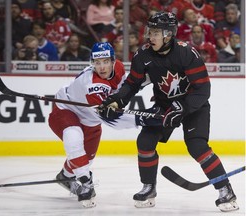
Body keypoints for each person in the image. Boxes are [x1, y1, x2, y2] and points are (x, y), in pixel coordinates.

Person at [98, 12, 239, 212]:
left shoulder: (186, 53)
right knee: (145, 141)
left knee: (197, 146)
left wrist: (183, 108)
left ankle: (225, 190)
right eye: (150, 32)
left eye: (155, 33)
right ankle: (149, 188)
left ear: (168, 34)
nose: (150, 37)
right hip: (164, 105)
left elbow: (202, 90)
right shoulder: (143, 55)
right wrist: (116, 100)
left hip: (193, 106)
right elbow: (132, 83)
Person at [48, 42, 161, 208]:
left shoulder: (120, 69)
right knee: (74, 138)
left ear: (113, 61)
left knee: (87, 158)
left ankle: (64, 176)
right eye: (97, 62)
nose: (102, 67)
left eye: (106, 61)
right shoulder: (92, 85)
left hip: (90, 119)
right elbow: (111, 120)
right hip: (65, 109)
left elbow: (127, 88)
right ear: (92, 63)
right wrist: (142, 119)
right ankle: (85, 182)